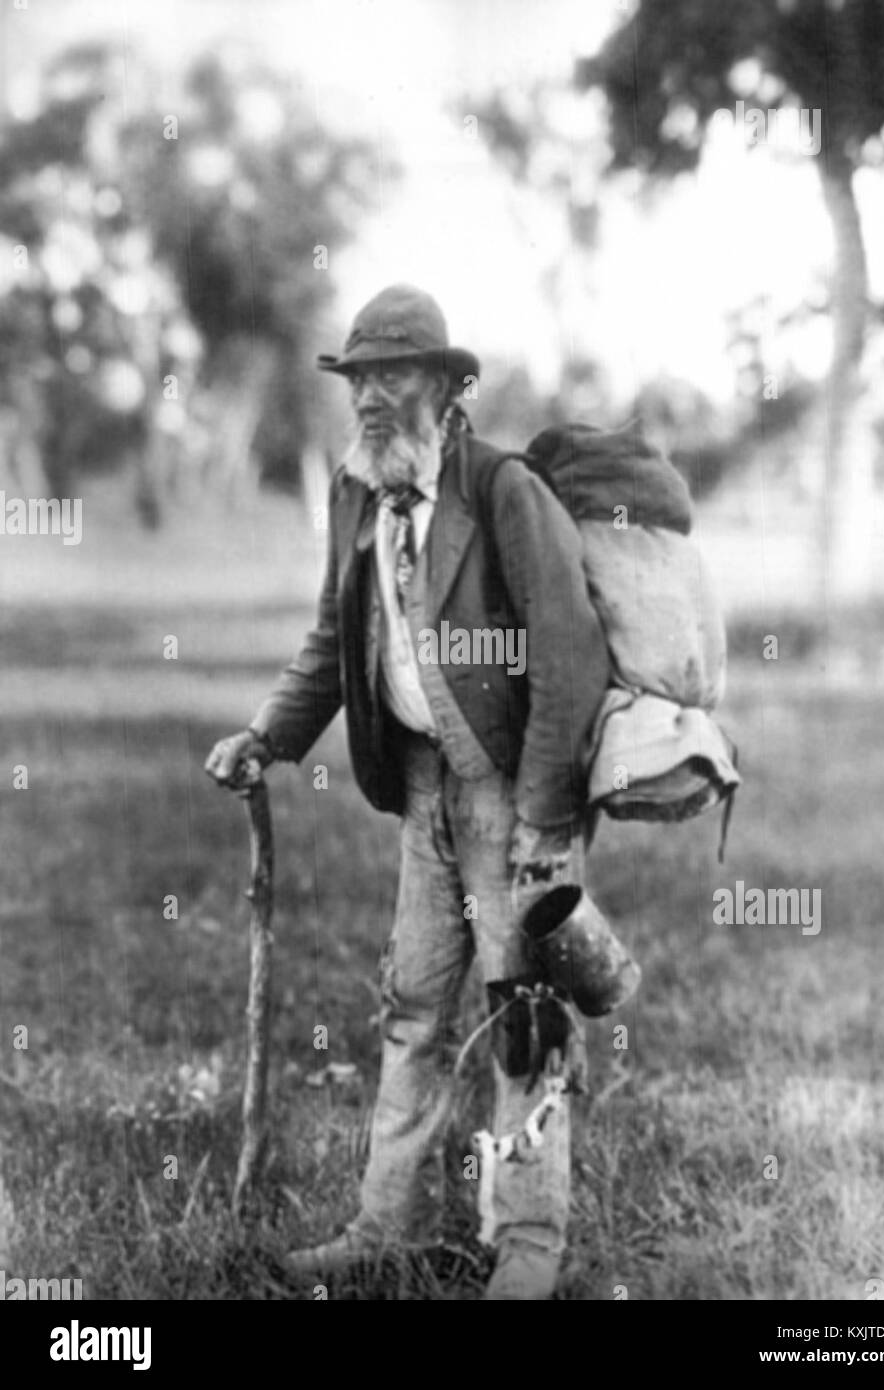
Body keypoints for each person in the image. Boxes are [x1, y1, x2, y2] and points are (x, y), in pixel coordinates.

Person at [205, 284, 610, 1299]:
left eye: (392, 376)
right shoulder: (356, 491)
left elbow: (569, 659)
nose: (370, 399)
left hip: (514, 791)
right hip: (423, 790)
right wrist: (267, 736)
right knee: (413, 1007)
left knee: (524, 1017)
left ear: (444, 385)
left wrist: (542, 822)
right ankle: (380, 1228)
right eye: (357, 380)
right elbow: (331, 636)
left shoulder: (502, 491)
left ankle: (524, 1249)